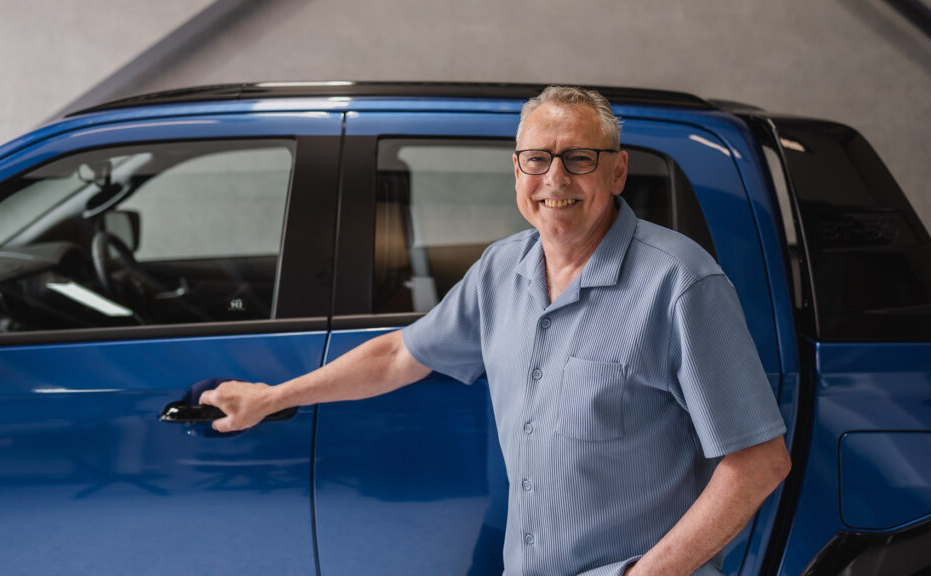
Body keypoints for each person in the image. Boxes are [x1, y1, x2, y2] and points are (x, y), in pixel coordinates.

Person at [200, 86, 791, 576]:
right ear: (517, 171)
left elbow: (760, 462)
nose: (554, 178)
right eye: (537, 159)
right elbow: (400, 356)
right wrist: (272, 398)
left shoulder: (679, 281)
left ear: (617, 171)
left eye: (579, 158)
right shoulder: (502, 269)